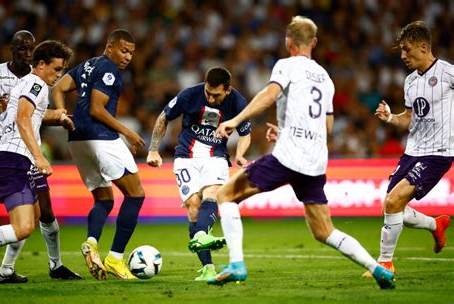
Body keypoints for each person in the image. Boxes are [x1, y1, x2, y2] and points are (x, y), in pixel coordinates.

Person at [199, 15, 395, 289]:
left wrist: (233, 120)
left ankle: (236, 264)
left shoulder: (286, 65)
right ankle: (378, 269)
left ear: (288, 41)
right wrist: (285, 130)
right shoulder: (326, 78)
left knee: (225, 195)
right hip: (315, 161)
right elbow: (327, 125)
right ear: (314, 42)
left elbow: (269, 95)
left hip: (288, 156)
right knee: (324, 231)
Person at [0, 31, 82, 283]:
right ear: (41, 64)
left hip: (15, 158)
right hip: (14, 159)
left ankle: (6, 271)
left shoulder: (30, 84)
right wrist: (39, 157)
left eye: (62, 70)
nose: (58, 75)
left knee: (35, 217)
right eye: (56, 69)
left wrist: (58, 116)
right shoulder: (36, 84)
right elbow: (23, 117)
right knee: (23, 227)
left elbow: (32, 114)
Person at [52, 29, 146, 280]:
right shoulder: (109, 69)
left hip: (77, 141)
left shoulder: (86, 66)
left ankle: (91, 243)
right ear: (110, 47)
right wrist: (127, 131)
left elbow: (59, 87)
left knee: (104, 199)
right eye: (124, 50)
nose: (127, 57)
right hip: (101, 138)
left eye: (131, 53)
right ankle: (115, 258)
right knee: (136, 195)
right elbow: (96, 109)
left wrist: (62, 113)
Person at [363, 21, 452, 277]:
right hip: (413, 150)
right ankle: (436, 225)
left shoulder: (447, 73)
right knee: (391, 207)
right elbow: (410, 119)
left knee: (393, 201)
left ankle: (385, 263)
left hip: (438, 152)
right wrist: (391, 118)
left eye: (407, 49)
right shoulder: (411, 82)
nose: (403, 55)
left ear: (424, 47)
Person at [146, 67, 251, 281]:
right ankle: (208, 267)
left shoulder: (238, 102)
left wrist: (240, 154)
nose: (211, 99)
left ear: (228, 90)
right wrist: (153, 149)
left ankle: (202, 235)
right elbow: (163, 117)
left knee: (212, 193)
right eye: (208, 93)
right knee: (193, 208)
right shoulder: (189, 95)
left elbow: (245, 134)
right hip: (186, 157)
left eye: (216, 95)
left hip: (216, 157)